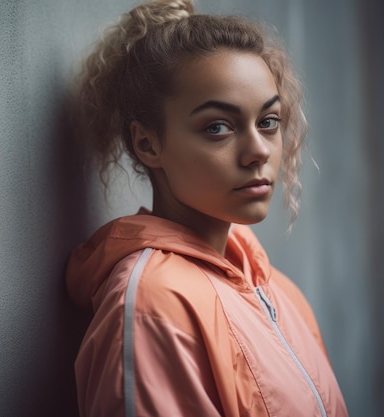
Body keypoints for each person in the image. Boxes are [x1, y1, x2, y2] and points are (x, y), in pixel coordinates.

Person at [65, 0, 349, 416]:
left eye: (268, 121)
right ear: (149, 143)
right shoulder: (150, 305)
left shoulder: (276, 289)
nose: (258, 151)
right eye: (218, 127)